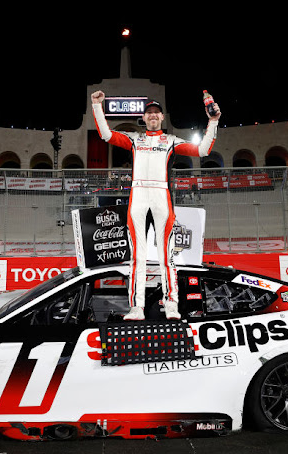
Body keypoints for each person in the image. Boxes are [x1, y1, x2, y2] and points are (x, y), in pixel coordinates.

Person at [91, 91, 221, 320]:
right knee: (137, 257)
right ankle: (136, 308)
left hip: (162, 195)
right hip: (138, 195)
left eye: (156, 113)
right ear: (144, 117)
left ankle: (171, 306)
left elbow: (203, 151)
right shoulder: (134, 139)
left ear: (162, 117)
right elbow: (105, 134)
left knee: (166, 257)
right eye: (149, 113)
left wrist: (213, 122)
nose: (152, 116)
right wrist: (96, 106)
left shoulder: (171, 140)